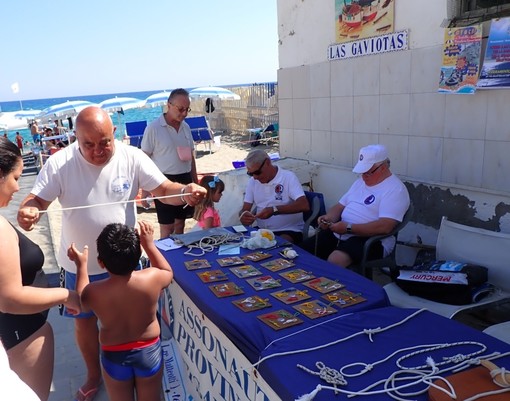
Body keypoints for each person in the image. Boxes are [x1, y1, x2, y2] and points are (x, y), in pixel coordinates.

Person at [17, 106, 206, 401]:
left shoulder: (132, 156)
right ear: (75, 139)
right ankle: (93, 373)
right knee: (84, 321)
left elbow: (163, 187)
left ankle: (133, 362)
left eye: (104, 142)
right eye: (87, 144)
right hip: (79, 264)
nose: (97, 151)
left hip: (125, 261)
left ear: (114, 133)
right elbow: (38, 198)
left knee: (132, 320)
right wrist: (30, 209)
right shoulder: (60, 162)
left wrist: (185, 192)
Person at [0, 137, 81, 400]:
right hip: (21, 334)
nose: (16, 187)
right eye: (15, 177)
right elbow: (10, 298)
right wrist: (67, 295)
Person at [68, 221, 173, 401]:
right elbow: (167, 271)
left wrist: (81, 266)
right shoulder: (152, 278)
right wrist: (149, 244)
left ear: (101, 263)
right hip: (149, 352)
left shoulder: (95, 292)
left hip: (114, 356)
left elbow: (80, 302)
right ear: (138, 253)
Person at [298, 144, 410, 268]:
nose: (363, 176)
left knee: (335, 260)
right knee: (301, 251)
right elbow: (340, 206)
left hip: (373, 239)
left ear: (383, 167)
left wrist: (349, 228)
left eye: (367, 172)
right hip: (343, 231)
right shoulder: (361, 182)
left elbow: (385, 227)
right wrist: (329, 217)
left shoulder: (395, 189)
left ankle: (335, 286)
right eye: (362, 172)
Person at [140, 88, 198, 238]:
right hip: (163, 181)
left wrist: (195, 181)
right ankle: (165, 260)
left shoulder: (186, 127)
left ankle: (178, 259)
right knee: (167, 227)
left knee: (180, 224)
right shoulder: (153, 128)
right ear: (169, 105)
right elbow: (143, 158)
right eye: (180, 109)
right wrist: (145, 189)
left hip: (185, 179)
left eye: (187, 109)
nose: (184, 113)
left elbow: (191, 157)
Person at [239, 149, 309, 243]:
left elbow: (304, 205)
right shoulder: (253, 181)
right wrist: (244, 216)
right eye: (250, 174)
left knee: (278, 246)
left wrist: (274, 210)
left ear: (267, 162)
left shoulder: (288, 177)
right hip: (262, 231)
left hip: (288, 230)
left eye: (257, 172)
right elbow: (245, 209)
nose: (255, 177)